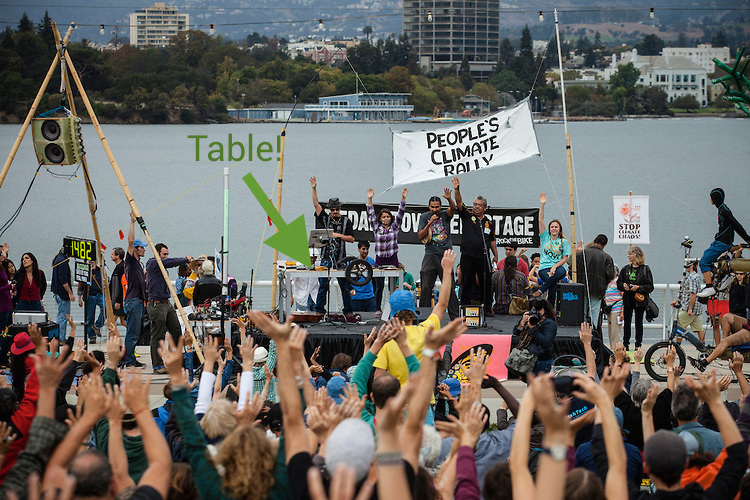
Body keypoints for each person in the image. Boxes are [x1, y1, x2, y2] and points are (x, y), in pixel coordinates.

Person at [453, 177, 498, 316]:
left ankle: (487, 308)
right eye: (474, 204)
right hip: (468, 256)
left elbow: (491, 240)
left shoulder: (488, 222)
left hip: (483, 256)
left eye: (479, 205)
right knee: (466, 282)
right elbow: (459, 202)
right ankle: (465, 308)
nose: (476, 206)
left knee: (485, 282)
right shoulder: (467, 216)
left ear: (485, 207)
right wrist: (457, 189)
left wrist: (495, 254)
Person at [310, 176, 355, 316]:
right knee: (323, 285)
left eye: (337, 209)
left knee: (345, 286)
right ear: (330, 210)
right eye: (333, 209)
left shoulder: (347, 221)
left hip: (341, 258)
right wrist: (314, 188)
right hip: (326, 257)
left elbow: (352, 239)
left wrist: (338, 235)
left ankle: (348, 311)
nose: (335, 211)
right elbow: (316, 204)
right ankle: (319, 310)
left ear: (340, 209)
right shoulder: (325, 218)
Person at [146, 242, 191, 374]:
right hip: (156, 304)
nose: (166, 257)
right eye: (164, 254)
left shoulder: (162, 266)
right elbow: (170, 262)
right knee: (158, 335)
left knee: (176, 329)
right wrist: (185, 260)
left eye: (167, 254)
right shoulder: (153, 263)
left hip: (166, 303)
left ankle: (176, 359)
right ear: (157, 254)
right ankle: (158, 365)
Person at [697, 188, 750, 298]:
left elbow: (736, 225)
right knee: (709, 257)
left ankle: (709, 287)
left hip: (722, 242)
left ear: (714, 198)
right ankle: (711, 282)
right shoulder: (721, 209)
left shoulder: (724, 211)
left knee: (703, 262)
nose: (709, 199)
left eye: (711, 197)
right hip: (720, 241)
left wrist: (748, 239)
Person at [417, 189, 459, 320]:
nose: (435, 209)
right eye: (432, 207)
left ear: (440, 207)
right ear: (429, 207)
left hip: (445, 255)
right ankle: (424, 318)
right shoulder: (424, 217)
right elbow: (420, 236)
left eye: (437, 207)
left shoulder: (445, 215)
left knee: (450, 287)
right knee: (425, 288)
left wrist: (449, 199)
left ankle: (455, 318)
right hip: (430, 254)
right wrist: (429, 222)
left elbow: (453, 208)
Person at [367, 186, 408, 314]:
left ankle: (393, 309)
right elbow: (370, 214)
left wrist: (403, 198)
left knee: (392, 286)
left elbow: (401, 213)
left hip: (392, 257)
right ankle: (378, 309)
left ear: (391, 218)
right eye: (383, 217)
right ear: (380, 219)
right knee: (379, 286)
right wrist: (370, 198)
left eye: (388, 217)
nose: (386, 219)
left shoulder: (395, 227)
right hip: (379, 259)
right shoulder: (376, 228)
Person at [534, 193, 571, 307]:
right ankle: (551, 309)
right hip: (544, 267)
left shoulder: (563, 241)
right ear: (549, 229)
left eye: (556, 227)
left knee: (559, 274)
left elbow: (565, 258)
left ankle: (541, 291)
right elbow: (540, 221)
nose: (554, 228)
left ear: (559, 229)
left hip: (558, 268)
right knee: (553, 283)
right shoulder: (545, 237)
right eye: (552, 227)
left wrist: (554, 267)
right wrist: (542, 205)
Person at [617, 245, 654, 351]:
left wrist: (638, 288)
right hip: (628, 299)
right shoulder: (625, 269)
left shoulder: (645, 269)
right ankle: (625, 344)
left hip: (640, 300)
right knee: (627, 323)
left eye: (630, 254)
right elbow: (619, 283)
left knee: (639, 323)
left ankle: (638, 344)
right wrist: (623, 285)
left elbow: (650, 286)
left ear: (636, 255)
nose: (628, 256)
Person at [575, 234, 616, 327]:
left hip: (582, 287)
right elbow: (610, 275)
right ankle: (592, 334)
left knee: (582, 313)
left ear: (594, 241)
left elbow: (572, 269)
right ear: (605, 245)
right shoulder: (607, 257)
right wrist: (603, 284)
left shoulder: (581, 253)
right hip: (597, 290)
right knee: (593, 315)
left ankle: (582, 335)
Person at [125, 212, 147, 368]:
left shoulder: (138, 265)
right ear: (136, 249)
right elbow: (130, 241)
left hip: (137, 301)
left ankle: (131, 358)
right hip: (133, 301)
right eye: (142, 248)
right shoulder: (131, 261)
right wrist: (132, 222)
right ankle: (130, 360)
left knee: (134, 333)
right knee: (132, 334)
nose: (144, 250)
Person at [511, 297, 558, 373]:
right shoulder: (530, 320)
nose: (536, 313)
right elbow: (516, 332)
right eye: (533, 310)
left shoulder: (549, 323)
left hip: (542, 361)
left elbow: (546, 342)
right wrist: (522, 322)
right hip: (528, 361)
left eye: (539, 310)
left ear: (544, 309)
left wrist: (533, 328)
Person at [670, 258, 706, 343]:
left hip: (688, 308)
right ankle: (703, 349)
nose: (686, 267)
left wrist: (690, 309)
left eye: (688, 265)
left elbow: (693, 293)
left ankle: (677, 347)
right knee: (699, 329)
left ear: (692, 266)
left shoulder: (692, 278)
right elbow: (686, 291)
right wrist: (677, 300)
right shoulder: (697, 276)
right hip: (697, 308)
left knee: (679, 327)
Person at [78, 260, 105, 344]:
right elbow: (80, 284)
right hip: (89, 295)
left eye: (93, 262)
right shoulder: (85, 271)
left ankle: (97, 326)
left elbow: (106, 281)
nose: (91, 264)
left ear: (96, 263)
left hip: (99, 294)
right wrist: (79, 298)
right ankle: (92, 336)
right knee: (89, 317)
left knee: (105, 308)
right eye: (89, 262)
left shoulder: (101, 270)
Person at [50, 247, 75, 339]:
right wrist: (70, 293)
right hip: (62, 293)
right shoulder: (63, 262)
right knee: (63, 316)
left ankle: (60, 336)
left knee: (60, 315)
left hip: (57, 291)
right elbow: (63, 279)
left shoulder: (58, 259)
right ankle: (61, 338)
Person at [349, 241, 377, 313]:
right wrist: (350, 289)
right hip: (357, 297)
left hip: (370, 296)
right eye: (363, 249)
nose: (365, 251)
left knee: (372, 319)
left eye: (367, 249)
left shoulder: (371, 261)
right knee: (358, 319)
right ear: (358, 249)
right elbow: (347, 278)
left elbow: (374, 278)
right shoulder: (353, 262)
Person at [602, 267, 624, 349]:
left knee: (615, 334)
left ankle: (617, 351)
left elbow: (624, 296)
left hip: (617, 310)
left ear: (616, 272)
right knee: (611, 334)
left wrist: (622, 312)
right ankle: (613, 351)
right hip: (610, 310)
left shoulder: (618, 282)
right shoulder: (609, 283)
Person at [109, 247, 126, 323]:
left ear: (118, 256)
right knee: (123, 321)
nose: (110, 256)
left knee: (111, 322)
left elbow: (122, 285)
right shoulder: (118, 267)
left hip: (119, 300)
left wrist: (118, 301)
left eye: (112, 254)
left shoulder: (122, 268)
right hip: (115, 299)